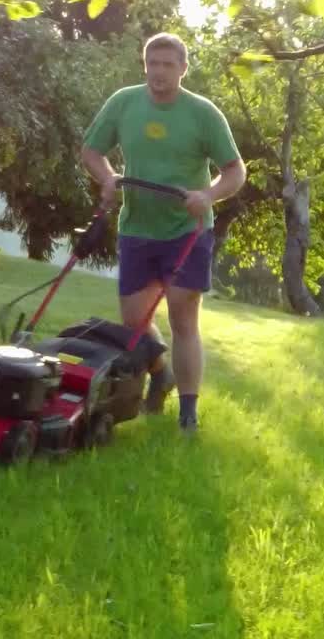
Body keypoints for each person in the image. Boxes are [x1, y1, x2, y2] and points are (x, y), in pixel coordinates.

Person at [79, 32, 247, 433]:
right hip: (137, 228)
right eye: (152, 63)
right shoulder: (123, 103)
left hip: (186, 231)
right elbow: (91, 150)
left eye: (168, 64)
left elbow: (235, 170)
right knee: (134, 325)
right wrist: (107, 178)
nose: (158, 71)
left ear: (183, 69)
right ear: (145, 65)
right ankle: (161, 372)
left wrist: (207, 195)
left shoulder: (203, 114)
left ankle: (188, 412)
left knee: (182, 316)